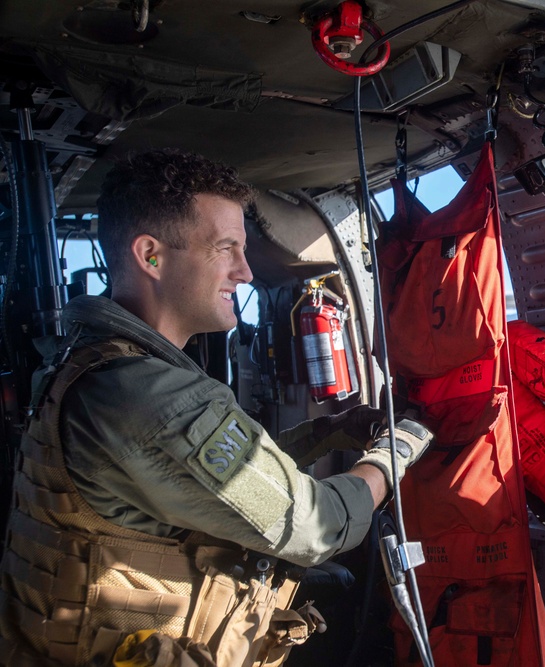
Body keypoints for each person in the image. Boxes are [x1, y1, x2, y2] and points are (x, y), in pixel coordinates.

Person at [0, 149, 432, 667]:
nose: (246, 272)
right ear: (151, 256)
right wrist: (397, 450)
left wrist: (331, 431)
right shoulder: (147, 395)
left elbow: (198, 472)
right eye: (226, 248)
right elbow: (320, 527)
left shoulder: (87, 365)